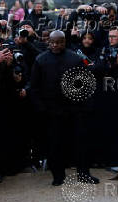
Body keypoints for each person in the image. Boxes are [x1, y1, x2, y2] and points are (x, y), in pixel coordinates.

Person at [30, 30, 100, 186]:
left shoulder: (75, 59)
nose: (55, 45)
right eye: (52, 42)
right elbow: (34, 87)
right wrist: (41, 108)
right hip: (52, 111)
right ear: (49, 42)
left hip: (75, 109)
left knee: (81, 144)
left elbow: (85, 83)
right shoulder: (40, 60)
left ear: (64, 42)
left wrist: (84, 106)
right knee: (55, 144)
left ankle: (83, 174)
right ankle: (58, 176)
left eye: (59, 42)